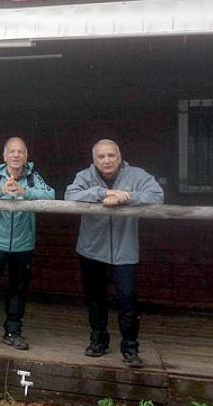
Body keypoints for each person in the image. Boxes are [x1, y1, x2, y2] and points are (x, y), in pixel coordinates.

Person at [65, 139, 164, 368]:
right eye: (101, 157)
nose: (106, 160)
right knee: (95, 298)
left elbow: (157, 196)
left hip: (124, 250)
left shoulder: (137, 175)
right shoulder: (85, 176)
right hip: (91, 249)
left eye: (111, 155)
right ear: (94, 160)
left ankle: (130, 348)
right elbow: (70, 195)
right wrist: (104, 193)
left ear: (119, 157)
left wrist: (127, 197)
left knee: (127, 298)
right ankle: (99, 341)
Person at [0, 137, 54, 350]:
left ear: (26, 156)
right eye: (12, 151)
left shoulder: (33, 177)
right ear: (4, 156)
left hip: (23, 244)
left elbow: (50, 195)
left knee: (18, 290)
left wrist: (26, 193)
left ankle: (13, 332)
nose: (16, 155)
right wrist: (1, 191)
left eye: (20, 152)